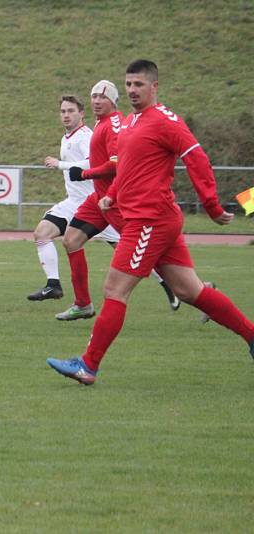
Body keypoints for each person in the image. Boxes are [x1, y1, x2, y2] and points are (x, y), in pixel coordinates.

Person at [47, 60, 254, 385]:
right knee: (189, 290)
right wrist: (112, 194)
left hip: (150, 219)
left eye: (138, 85)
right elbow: (127, 167)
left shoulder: (165, 121)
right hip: (152, 218)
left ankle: (87, 366)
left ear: (154, 86)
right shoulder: (131, 123)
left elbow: (196, 157)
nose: (131, 90)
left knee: (115, 289)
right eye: (128, 84)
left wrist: (212, 205)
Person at [55, 80, 180, 321]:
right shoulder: (102, 124)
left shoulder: (113, 125)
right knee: (71, 240)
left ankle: (193, 291)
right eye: (93, 96)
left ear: (113, 101)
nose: (96, 101)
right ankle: (83, 304)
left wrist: (84, 173)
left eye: (102, 97)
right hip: (99, 199)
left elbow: (116, 164)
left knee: (155, 257)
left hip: (117, 199)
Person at [28, 95, 119, 301]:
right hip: (73, 202)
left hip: (95, 204)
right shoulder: (67, 137)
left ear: (81, 113)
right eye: (63, 111)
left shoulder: (86, 136)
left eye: (71, 111)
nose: (66, 115)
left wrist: (61, 164)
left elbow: (93, 163)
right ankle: (53, 285)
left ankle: (181, 286)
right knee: (42, 233)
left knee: (132, 253)